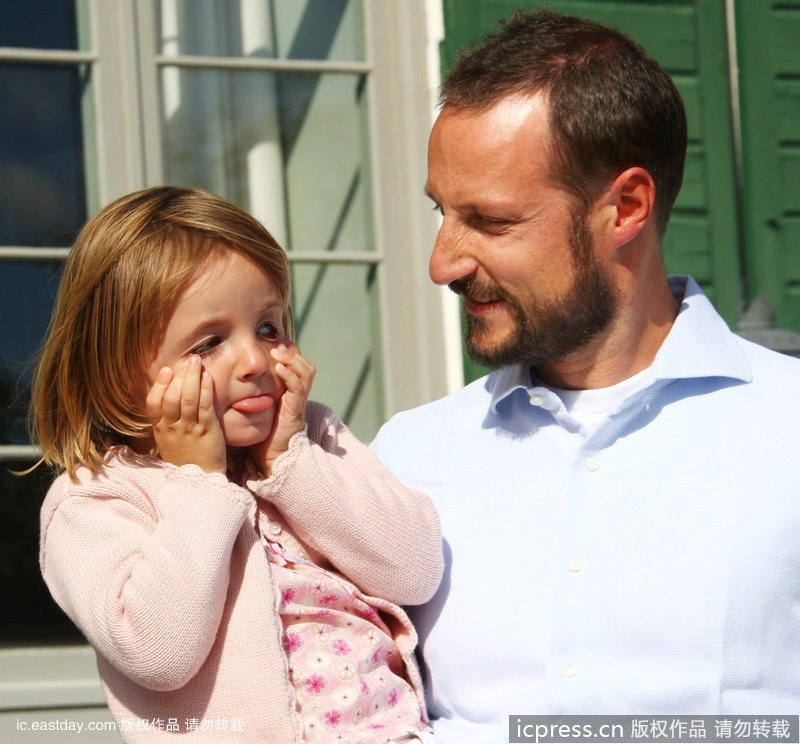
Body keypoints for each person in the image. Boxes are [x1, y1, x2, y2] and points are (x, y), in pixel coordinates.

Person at [371, 8, 800, 741]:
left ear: (626, 207)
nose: (443, 263)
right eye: (442, 212)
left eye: (493, 221)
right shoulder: (401, 465)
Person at [33, 186, 443, 743]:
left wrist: (290, 460)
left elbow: (415, 570)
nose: (254, 361)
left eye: (268, 328)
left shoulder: (309, 437)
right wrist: (197, 480)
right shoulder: (96, 500)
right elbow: (157, 652)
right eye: (208, 343)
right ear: (116, 369)